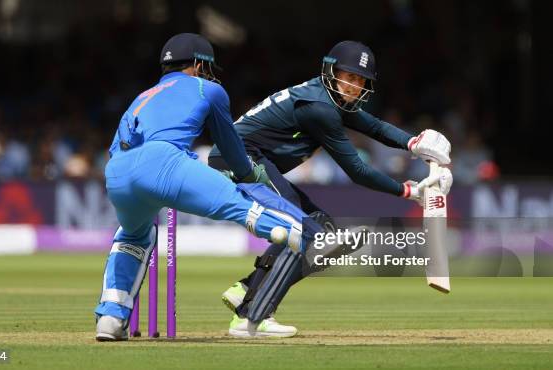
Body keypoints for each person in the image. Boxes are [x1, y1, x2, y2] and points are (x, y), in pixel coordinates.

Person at [208, 41, 453, 337]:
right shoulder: (319, 109)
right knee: (300, 227)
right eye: (348, 77)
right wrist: (408, 192)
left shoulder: (331, 99)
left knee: (319, 229)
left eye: (360, 80)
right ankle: (251, 315)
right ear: (330, 72)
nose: (354, 86)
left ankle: (247, 288)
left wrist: (414, 143)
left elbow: (374, 127)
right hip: (239, 157)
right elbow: (357, 170)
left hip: (250, 157)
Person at [94, 33, 317, 341]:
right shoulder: (209, 89)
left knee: (133, 235)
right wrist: (250, 175)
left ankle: (110, 317)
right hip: (164, 161)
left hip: (117, 173)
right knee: (243, 205)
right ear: (199, 64)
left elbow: (116, 148)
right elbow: (231, 149)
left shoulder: (142, 96)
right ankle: (303, 234)